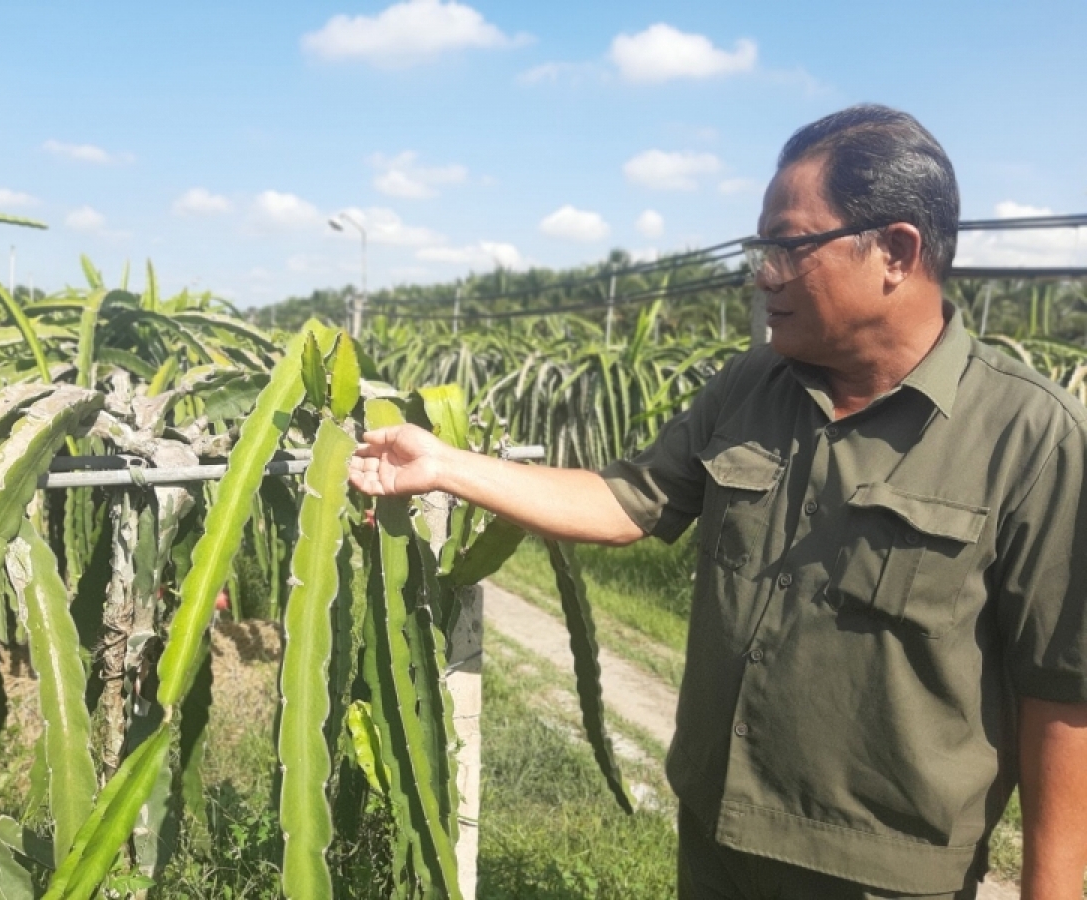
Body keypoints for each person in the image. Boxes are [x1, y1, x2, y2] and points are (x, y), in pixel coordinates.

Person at [348, 105, 1087, 899]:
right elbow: (627, 499)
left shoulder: (1031, 437)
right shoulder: (751, 385)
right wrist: (445, 464)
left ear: (897, 252)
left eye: (787, 245)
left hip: (884, 880)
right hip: (716, 837)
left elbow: (1063, 696)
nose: (763, 272)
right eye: (759, 247)